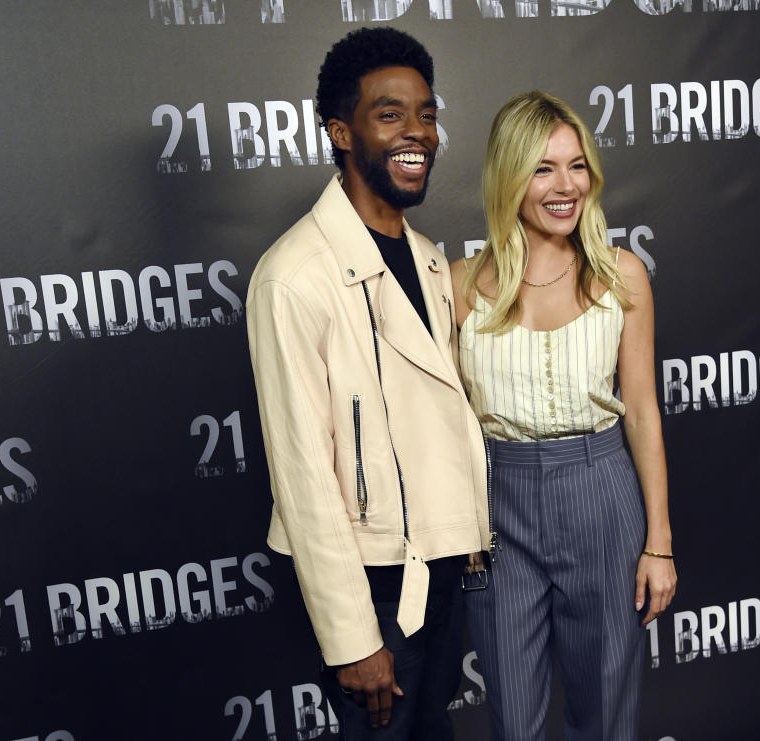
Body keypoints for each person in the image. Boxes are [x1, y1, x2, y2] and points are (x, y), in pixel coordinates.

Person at [246, 27, 490, 740]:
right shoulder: (292, 275)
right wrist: (353, 635)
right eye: (389, 115)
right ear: (341, 133)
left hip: (442, 568)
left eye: (426, 113)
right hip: (372, 583)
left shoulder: (429, 258)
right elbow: (301, 474)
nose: (417, 133)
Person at [451, 91, 677, 741]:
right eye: (543, 168)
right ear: (508, 176)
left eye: (576, 166)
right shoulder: (459, 285)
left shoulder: (623, 275)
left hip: (600, 490)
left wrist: (657, 542)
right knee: (514, 721)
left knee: (605, 710)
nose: (565, 185)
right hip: (499, 506)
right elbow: (447, 431)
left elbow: (640, 413)